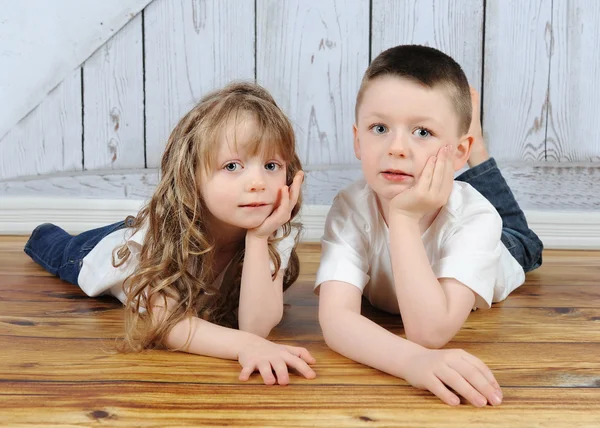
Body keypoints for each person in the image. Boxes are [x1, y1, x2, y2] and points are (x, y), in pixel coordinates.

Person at [24, 82, 316, 386]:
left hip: (141, 232)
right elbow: (168, 323)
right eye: (232, 166)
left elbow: (255, 328)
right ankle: (43, 232)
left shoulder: (271, 229)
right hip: (101, 253)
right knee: (56, 247)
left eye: (271, 165)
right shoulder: (167, 231)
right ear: (192, 175)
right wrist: (245, 347)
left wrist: (258, 239)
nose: (258, 182)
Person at [316, 45, 543, 407]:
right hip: (453, 186)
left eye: (422, 132)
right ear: (358, 140)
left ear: (456, 151)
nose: (397, 148)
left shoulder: (476, 218)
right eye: (380, 128)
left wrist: (403, 219)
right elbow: (335, 319)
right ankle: (467, 143)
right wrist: (411, 363)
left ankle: (477, 148)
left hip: (504, 251)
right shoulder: (350, 207)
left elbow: (429, 332)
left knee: (522, 237)